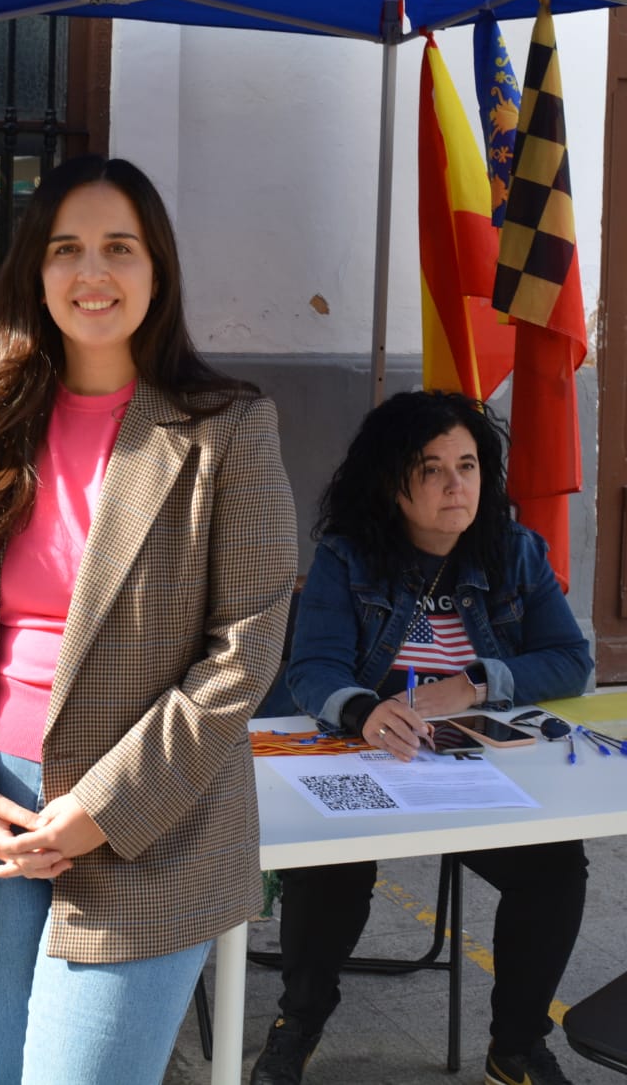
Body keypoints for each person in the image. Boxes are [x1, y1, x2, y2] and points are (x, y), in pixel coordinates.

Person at [0, 154, 298, 1085]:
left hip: (149, 826)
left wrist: (102, 810)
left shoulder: (228, 428)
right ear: (36, 269)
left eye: (119, 247)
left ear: (158, 269)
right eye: (66, 248)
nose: (91, 273)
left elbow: (245, 649)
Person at [252, 389, 593, 1085]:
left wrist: (473, 683)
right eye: (431, 468)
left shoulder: (515, 550)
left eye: (467, 465)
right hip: (374, 756)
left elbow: (570, 661)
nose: (455, 485)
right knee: (328, 862)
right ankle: (300, 1021)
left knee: (556, 864)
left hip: (472, 767)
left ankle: (516, 1046)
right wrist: (361, 712)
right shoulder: (349, 557)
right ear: (391, 481)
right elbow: (312, 666)